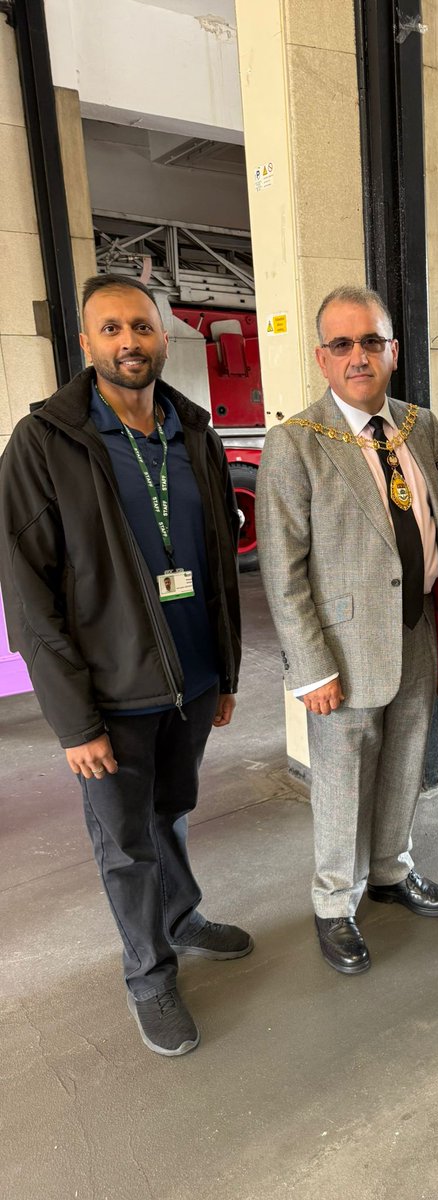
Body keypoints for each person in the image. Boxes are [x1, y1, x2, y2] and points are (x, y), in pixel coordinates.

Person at [0, 274, 248, 1057]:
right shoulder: (44, 444)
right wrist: (74, 722)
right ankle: (148, 973)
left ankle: (180, 917)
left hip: (192, 677)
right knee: (124, 843)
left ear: (162, 336)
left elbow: (214, 560)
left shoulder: (193, 431)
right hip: (110, 696)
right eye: (110, 329)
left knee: (169, 811)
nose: (128, 343)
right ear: (86, 341)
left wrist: (228, 673)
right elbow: (28, 596)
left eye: (140, 327)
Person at [257, 285, 438, 975]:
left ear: (393, 351)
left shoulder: (420, 427)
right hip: (341, 651)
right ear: (321, 357)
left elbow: (434, 533)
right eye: (342, 344)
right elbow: (282, 570)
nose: (358, 356)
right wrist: (309, 668)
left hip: (414, 630)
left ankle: (390, 872)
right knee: (343, 781)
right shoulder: (296, 443)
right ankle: (334, 906)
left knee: (406, 761)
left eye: (371, 341)